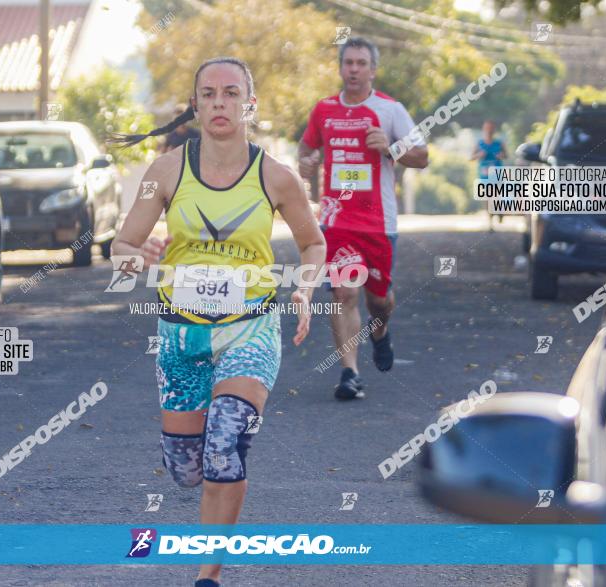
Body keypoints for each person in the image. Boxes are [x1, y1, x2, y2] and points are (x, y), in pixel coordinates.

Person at [110, 56, 326, 587]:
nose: (220, 103)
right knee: (188, 470)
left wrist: (302, 288)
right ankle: (196, 479)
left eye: (231, 93)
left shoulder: (277, 176)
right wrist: (142, 254)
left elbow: (313, 242)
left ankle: (209, 574)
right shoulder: (164, 171)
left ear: (248, 104)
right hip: (181, 332)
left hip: (250, 324)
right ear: (196, 106)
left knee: (226, 441)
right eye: (208, 94)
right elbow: (120, 247)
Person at [298, 37, 428, 400]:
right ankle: (349, 372)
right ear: (341, 68)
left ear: (372, 70)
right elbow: (306, 149)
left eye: (361, 63)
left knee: (379, 300)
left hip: (379, 224)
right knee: (343, 292)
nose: (354, 69)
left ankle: (380, 332)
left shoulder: (390, 110)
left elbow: (422, 155)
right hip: (337, 222)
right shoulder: (323, 110)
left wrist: (390, 148)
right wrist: (306, 164)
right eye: (348, 63)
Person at [472, 119, 508, 228]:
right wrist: (479, 155)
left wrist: (501, 155)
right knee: (488, 197)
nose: (489, 130)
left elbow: (506, 155)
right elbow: (471, 157)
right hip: (484, 173)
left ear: (494, 130)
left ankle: (500, 211)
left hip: (496, 172)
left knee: (496, 195)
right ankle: (490, 222)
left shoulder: (499, 143)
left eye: (491, 128)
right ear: (484, 129)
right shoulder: (479, 143)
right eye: (487, 128)